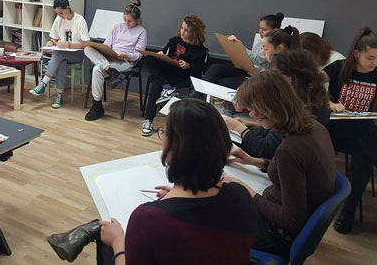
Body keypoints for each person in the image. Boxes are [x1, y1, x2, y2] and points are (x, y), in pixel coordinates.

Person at [47, 99, 257, 264]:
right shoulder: (240, 196)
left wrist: (118, 242)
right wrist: (177, 198)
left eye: (164, 132)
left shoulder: (149, 219)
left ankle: (90, 233)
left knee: (110, 238)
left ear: (174, 148)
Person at [225, 72, 335, 257]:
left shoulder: (290, 149)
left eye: (253, 109)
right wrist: (253, 161)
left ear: (268, 108)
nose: (251, 114)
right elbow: (296, 171)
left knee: (209, 215)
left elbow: (292, 221)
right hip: (278, 208)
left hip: (276, 235)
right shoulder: (314, 127)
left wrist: (248, 192)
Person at [224, 49, 330, 159]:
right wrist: (251, 126)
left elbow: (267, 149)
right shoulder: (310, 98)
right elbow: (274, 132)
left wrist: (239, 128)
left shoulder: (299, 108)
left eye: (276, 76)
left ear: (290, 79)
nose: (273, 80)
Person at [322, 27, 377, 233]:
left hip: (362, 128)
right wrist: (329, 102)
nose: (374, 63)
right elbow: (314, 83)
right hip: (336, 127)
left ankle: (348, 211)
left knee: (364, 158)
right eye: (370, 58)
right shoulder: (340, 67)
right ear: (356, 54)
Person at [141, 15, 208, 136]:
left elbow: (200, 72)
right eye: (182, 28)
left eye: (186, 30)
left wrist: (188, 66)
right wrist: (161, 55)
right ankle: (149, 119)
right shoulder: (174, 41)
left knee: (156, 83)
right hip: (169, 74)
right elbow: (166, 55)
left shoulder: (201, 51)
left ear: (194, 32)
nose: (183, 32)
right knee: (149, 59)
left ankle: (151, 117)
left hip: (185, 78)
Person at [84, 0, 147, 121]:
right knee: (87, 48)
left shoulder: (141, 32)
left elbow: (139, 55)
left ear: (137, 20)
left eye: (129, 21)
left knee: (97, 69)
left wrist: (126, 55)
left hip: (125, 62)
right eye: (124, 19)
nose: (126, 23)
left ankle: (97, 106)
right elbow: (107, 45)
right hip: (110, 58)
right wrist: (104, 50)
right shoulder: (117, 27)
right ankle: (110, 70)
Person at [29, 0, 89, 108]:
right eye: (57, 14)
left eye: (61, 13)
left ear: (68, 8)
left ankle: (43, 83)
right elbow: (55, 38)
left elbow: (85, 44)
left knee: (59, 54)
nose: (60, 16)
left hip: (77, 54)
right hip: (63, 54)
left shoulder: (80, 20)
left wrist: (68, 45)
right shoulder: (59, 19)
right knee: (61, 61)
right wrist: (51, 42)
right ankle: (59, 96)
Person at [197, 12, 284, 90]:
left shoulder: (272, 47)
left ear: (273, 31)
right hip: (247, 71)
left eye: (264, 29)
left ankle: (198, 96)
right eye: (260, 28)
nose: (260, 32)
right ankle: (195, 94)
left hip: (256, 77)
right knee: (215, 68)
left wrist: (240, 46)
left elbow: (255, 59)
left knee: (220, 81)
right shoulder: (260, 42)